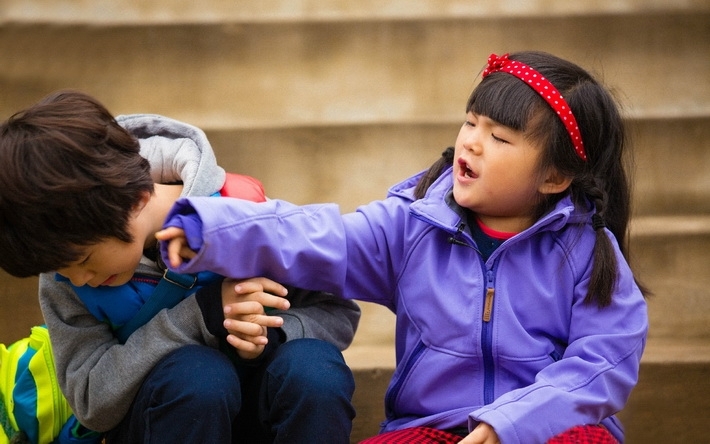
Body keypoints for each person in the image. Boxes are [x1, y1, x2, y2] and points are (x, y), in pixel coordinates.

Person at [156, 51, 649, 444]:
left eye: (499, 137)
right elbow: (313, 235)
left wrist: (512, 425)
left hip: (545, 428)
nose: (471, 143)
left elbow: (602, 364)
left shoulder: (587, 253)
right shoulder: (412, 228)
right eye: (470, 122)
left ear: (555, 176)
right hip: (428, 426)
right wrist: (210, 228)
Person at [0, 90, 360, 443]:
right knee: (198, 377)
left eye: (84, 260)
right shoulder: (63, 273)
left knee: (314, 369)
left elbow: (338, 309)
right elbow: (92, 402)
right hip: (165, 416)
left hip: (263, 410)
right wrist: (201, 317)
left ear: (136, 202)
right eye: (62, 270)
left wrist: (272, 333)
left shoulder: (243, 215)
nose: (78, 279)